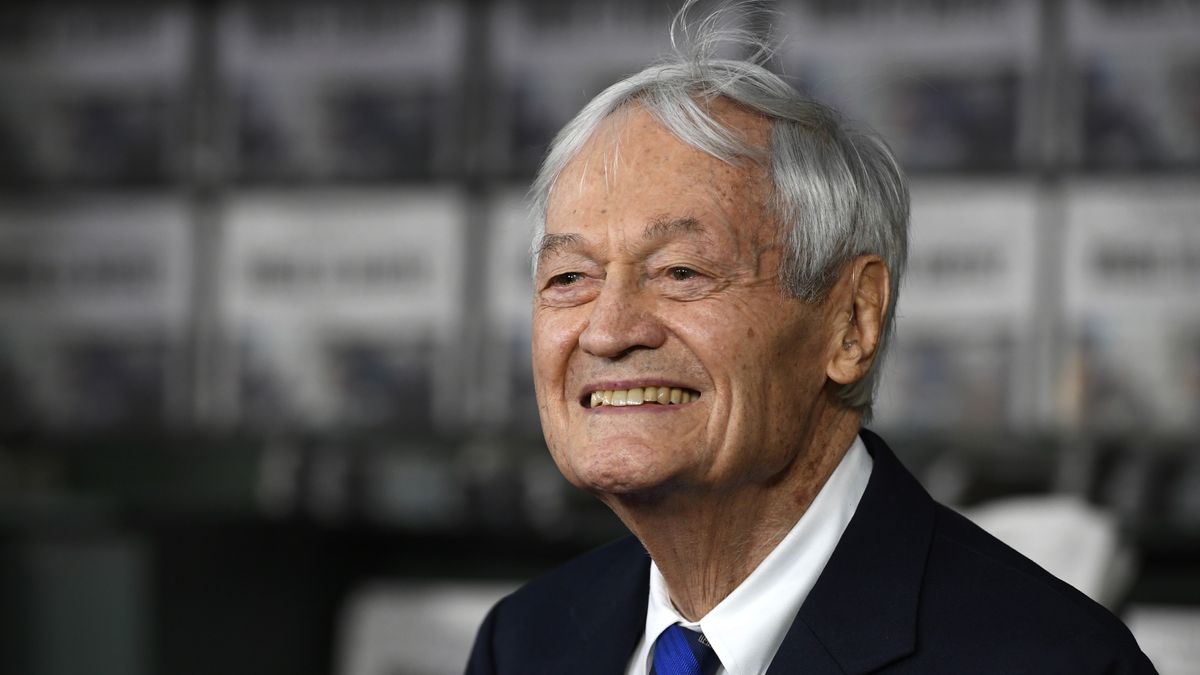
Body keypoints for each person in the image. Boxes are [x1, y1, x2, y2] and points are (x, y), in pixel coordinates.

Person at [466, 4, 1156, 674]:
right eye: (568, 277)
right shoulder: (524, 641)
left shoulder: (1054, 659)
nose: (609, 329)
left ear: (851, 322)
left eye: (680, 271)